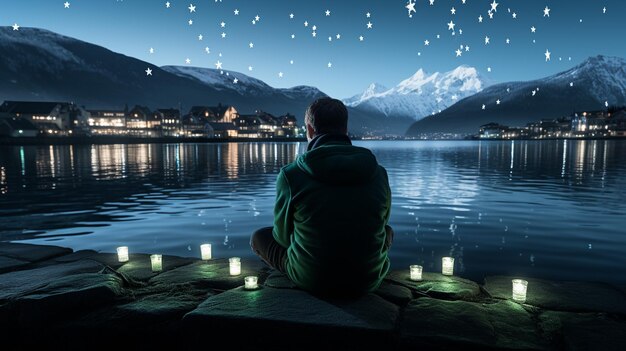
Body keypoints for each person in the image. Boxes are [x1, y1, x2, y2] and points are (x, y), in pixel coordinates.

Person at [250, 97, 393, 298]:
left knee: (259, 237)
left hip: (312, 280)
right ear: (345, 129)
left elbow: (281, 238)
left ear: (309, 130)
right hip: (367, 280)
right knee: (388, 231)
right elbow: (382, 223)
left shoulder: (291, 175)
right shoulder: (379, 173)